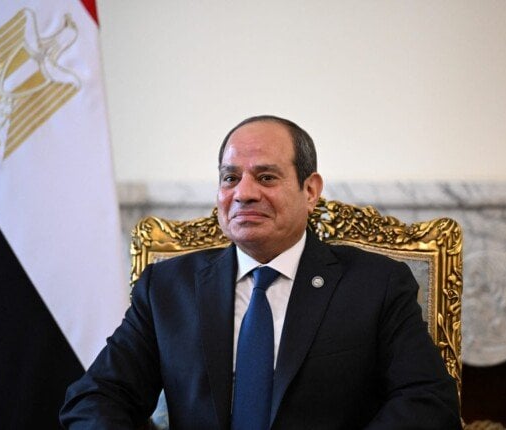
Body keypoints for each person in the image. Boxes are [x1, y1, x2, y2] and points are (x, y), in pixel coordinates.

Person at [60, 115, 462, 429]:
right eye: (230, 178)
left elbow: (428, 400)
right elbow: (95, 397)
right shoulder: (167, 288)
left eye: (266, 177)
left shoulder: (375, 285)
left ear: (310, 190)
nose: (244, 193)